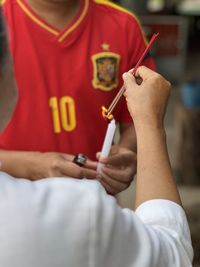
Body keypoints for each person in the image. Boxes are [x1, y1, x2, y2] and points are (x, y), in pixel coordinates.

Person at [0, 0, 155, 195]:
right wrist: (31, 166)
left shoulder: (123, 25)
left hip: (95, 204)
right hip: (9, 204)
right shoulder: (3, 21)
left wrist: (126, 152)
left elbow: (139, 119)